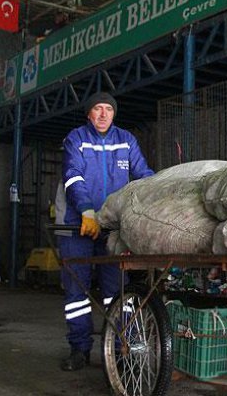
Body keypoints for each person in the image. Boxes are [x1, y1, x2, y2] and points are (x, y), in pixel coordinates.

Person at [58, 91, 154, 371]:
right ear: (88, 113)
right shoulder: (76, 139)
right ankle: (79, 349)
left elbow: (143, 174)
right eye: (97, 109)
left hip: (113, 228)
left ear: (114, 114)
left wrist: (158, 192)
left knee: (118, 293)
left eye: (108, 110)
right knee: (77, 292)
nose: (102, 114)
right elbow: (73, 175)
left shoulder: (126, 140)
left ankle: (120, 350)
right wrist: (87, 211)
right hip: (78, 226)